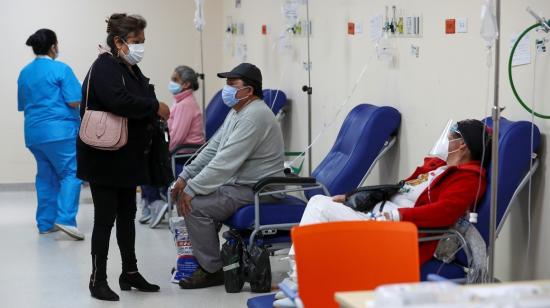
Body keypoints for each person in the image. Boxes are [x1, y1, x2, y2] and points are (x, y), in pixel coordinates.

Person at [292, 119, 492, 265]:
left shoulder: (468, 178)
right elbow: (397, 188)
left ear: (462, 145)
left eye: (449, 139)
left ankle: (300, 283)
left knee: (319, 206)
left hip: (400, 231)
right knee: (322, 208)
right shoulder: (437, 167)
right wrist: (352, 197)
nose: (444, 143)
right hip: (380, 215)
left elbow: (445, 212)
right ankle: (305, 282)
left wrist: (398, 215)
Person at [76, 13, 170, 301]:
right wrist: (155, 106)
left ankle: (129, 272)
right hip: (104, 159)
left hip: (125, 158)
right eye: (135, 42)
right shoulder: (104, 66)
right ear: (118, 41)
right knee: (105, 219)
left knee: (127, 216)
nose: (140, 47)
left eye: (143, 41)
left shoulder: (127, 68)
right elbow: (120, 101)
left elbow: (134, 97)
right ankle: (97, 280)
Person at [170, 63, 285, 289]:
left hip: (260, 190)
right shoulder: (238, 112)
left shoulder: (254, 116)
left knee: (194, 205)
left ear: (249, 91)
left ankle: (212, 270)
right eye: (227, 84)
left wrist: (191, 189)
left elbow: (226, 161)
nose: (227, 89)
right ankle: (206, 261)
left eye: (233, 84)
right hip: (240, 186)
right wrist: (185, 176)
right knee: (192, 197)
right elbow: (213, 149)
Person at [17, 29, 84, 239]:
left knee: (46, 177)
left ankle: (45, 223)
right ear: (53, 46)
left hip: (34, 134)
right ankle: (65, 219)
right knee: (71, 173)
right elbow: (74, 100)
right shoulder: (61, 69)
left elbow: (23, 104)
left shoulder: (25, 72)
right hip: (60, 133)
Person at [139, 65, 205, 224]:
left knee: (146, 159)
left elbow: (178, 137)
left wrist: (160, 150)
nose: (171, 82)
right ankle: (152, 202)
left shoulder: (185, 105)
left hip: (185, 153)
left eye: (175, 80)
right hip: (179, 149)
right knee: (145, 153)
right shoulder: (180, 101)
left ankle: (155, 202)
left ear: (187, 84)